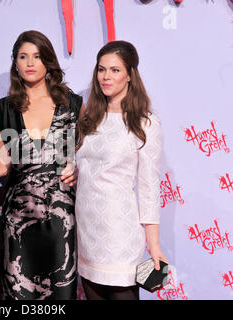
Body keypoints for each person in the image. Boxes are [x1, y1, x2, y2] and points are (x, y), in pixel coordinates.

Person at [0, 30, 82, 300]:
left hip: (62, 225)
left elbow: (87, 157)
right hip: (18, 224)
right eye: (23, 56)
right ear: (14, 62)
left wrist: (78, 169)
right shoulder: (4, 108)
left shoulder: (72, 105)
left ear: (48, 61)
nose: (29, 63)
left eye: (37, 56)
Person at [75, 40, 168, 300]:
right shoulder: (89, 119)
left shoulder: (145, 123)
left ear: (130, 75)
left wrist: (154, 244)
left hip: (119, 232)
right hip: (86, 230)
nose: (106, 77)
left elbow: (150, 187)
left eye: (115, 70)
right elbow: (83, 165)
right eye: (101, 69)